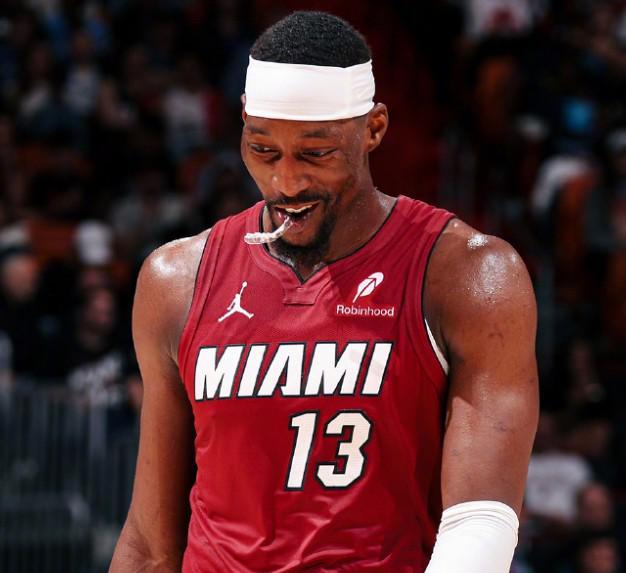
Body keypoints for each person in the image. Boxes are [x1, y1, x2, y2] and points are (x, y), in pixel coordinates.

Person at [110, 11, 538, 573]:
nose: (286, 181)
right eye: (263, 150)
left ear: (373, 129)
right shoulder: (175, 281)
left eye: (315, 154)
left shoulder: (468, 275)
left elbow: (479, 527)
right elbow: (150, 543)